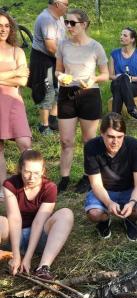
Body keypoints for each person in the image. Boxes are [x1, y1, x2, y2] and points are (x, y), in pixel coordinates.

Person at [55, 8, 109, 194]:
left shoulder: (95, 47)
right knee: (66, 140)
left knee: (89, 140)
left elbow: (105, 74)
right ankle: (64, 178)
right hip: (66, 94)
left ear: (84, 24)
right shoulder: (63, 45)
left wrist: (93, 79)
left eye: (72, 23)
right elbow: (57, 70)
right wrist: (60, 76)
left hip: (89, 94)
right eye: (66, 22)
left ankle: (88, 176)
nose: (68, 26)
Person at [2, 150, 74, 281]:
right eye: (27, 172)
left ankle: (43, 268)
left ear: (43, 171)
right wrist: (16, 256)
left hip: (39, 237)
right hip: (13, 236)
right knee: (1, 221)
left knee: (66, 213)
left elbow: (38, 222)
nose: (31, 177)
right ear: (20, 169)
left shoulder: (50, 187)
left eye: (36, 173)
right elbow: (15, 218)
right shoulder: (9, 184)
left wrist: (28, 257)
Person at [84, 112, 137, 241]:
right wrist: (108, 202)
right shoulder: (91, 147)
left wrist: (132, 202)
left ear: (125, 135)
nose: (115, 142)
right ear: (101, 133)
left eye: (120, 137)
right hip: (104, 190)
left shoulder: (135, 146)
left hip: (130, 189)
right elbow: (96, 184)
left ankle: (130, 218)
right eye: (110, 136)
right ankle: (105, 220)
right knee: (94, 214)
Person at [0, 10, 32, 195]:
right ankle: (4, 188)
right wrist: (14, 73)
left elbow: (23, 81)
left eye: (6, 26)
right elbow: (18, 75)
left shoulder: (17, 51)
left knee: (25, 143)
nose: (3, 29)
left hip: (13, 101)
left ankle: (30, 183)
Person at [28, 0, 68, 135]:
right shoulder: (46, 19)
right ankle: (43, 126)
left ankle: (53, 119)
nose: (67, 7)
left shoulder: (60, 18)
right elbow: (51, 47)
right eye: (66, 4)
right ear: (57, 4)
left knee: (58, 88)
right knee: (47, 91)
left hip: (55, 57)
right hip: (43, 59)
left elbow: (63, 39)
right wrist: (66, 60)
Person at [109, 27, 137, 120]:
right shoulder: (114, 54)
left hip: (132, 87)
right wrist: (120, 77)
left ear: (132, 39)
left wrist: (130, 78)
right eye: (121, 35)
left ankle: (115, 116)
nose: (121, 37)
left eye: (125, 35)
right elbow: (110, 76)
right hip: (116, 83)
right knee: (122, 79)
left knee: (123, 80)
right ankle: (132, 109)